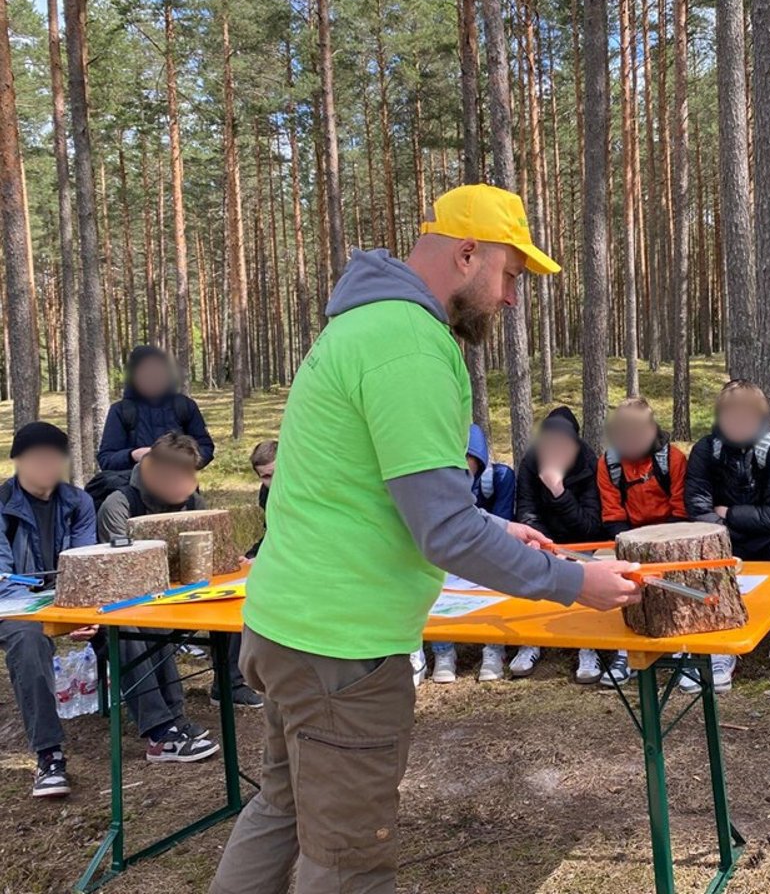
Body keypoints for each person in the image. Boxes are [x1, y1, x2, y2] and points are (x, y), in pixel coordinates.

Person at [210, 183, 640, 894]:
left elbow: (368, 486)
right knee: (348, 857)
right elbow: (443, 531)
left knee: (284, 806)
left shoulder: (364, 323)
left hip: (288, 624)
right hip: (341, 649)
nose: (510, 299)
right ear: (467, 253)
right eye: (509, 275)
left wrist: (493, 523)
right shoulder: (408, 343)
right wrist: (576, 586)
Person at [99, 435, 254, 762]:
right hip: (128, 604)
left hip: (184, 597)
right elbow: (122, 573)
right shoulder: (119, 505)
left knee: (241, 598)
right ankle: (162, 730)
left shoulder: (193, 501)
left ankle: (230, 685)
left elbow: (215, 556)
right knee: (138, 630)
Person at [686, 380, 770, 693]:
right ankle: (718, 646)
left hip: (768, 536)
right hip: (720, 537)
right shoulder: (705, 450)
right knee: (704, 556)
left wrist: (729, 512)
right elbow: (698, 509)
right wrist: (727, 527)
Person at [0, 423, 96, 798]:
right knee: (28, 639)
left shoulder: (79, 502)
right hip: (14, 608)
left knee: (129, 620)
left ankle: (161, 729)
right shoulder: (3, 505)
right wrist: (52, 610)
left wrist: (83, 613)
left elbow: (85, 563)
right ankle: (49, 755)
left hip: (64, 599)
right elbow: (4, 579)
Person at [592, 396, 688, 688]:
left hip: (671, 534)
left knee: (684, 576)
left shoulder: (673, 459)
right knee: (603, 569)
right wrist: (630, 548)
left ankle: (685, 653)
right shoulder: (608, 463)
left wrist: (659, 545)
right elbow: (612, 513)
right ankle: (624, 650)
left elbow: (681, 509)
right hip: (627, 535)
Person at [430, 424, 530, 684]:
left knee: (497, 577)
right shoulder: (433, 484)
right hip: (448, 554)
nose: (465, 477)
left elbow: (500, 526)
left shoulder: (500, 478)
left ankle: (494, 649)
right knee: (433, 580)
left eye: (471, 469)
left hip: (484, 551)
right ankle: (442, 652)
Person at [515, 406, 606, 684]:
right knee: (527, 567)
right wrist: (542, 543)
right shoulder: (531, 462)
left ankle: (588, 646)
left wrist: (558, 490)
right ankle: (529, 641)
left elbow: (590, 525)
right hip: (546, 540)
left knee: (585, 573)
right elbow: (527, 511)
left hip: (582, 541)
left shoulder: (589, 463)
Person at [96, 344, 215, 474]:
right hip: (132, 487)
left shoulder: (184, 406)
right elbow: (106, 459)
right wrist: (133, 455)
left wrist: (185, 457)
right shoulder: (121, 410)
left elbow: (206, 447)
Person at [243, 439, 277, 561]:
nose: (274, 482)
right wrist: (252, 556)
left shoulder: (305, 491)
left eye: (277, 473)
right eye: (267, 477)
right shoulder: (266, 493)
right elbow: (273, 532)